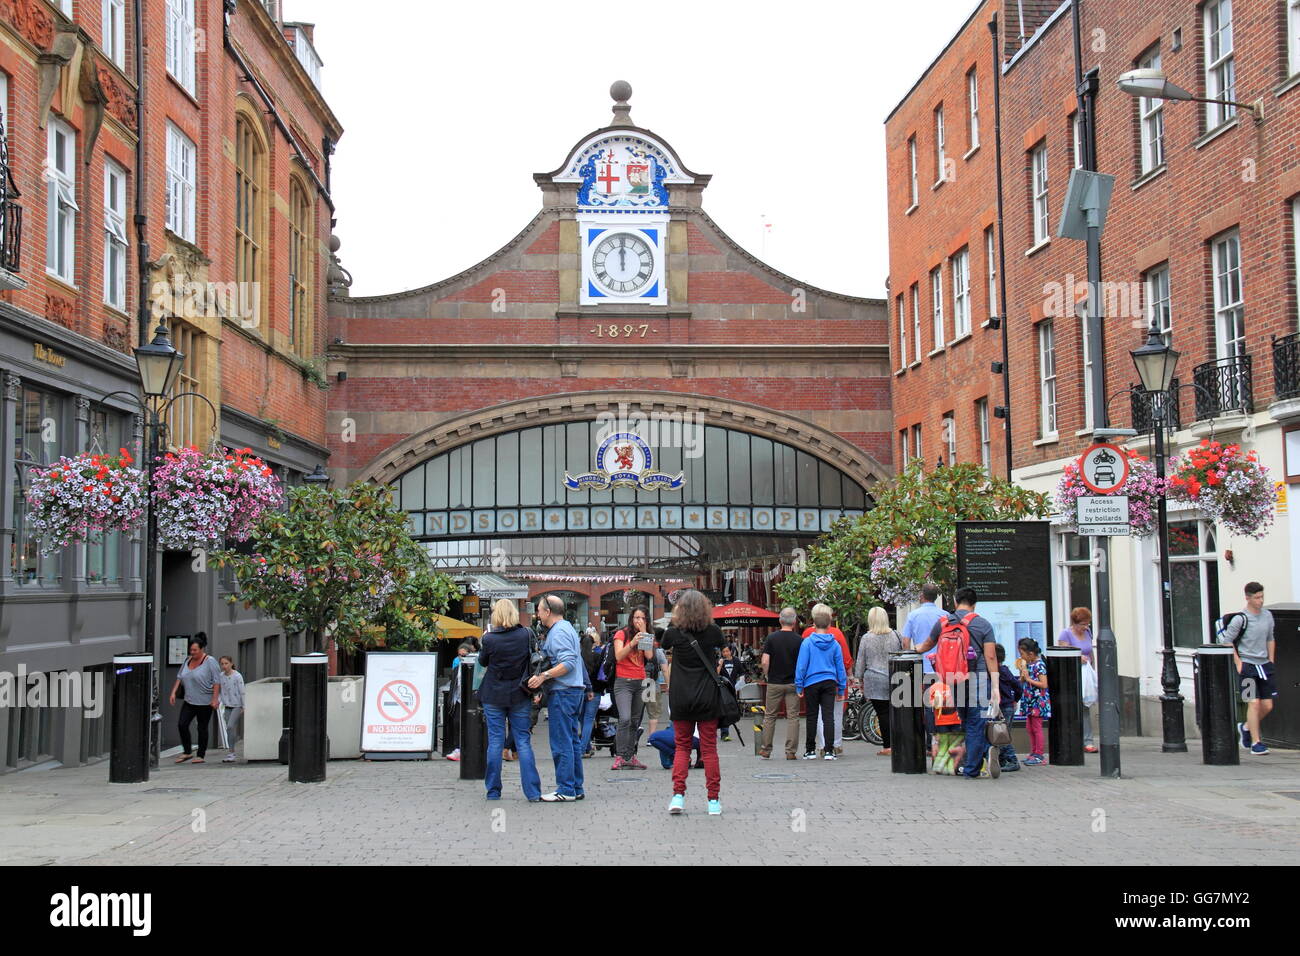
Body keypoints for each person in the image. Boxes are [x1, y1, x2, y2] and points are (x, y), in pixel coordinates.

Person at [914, 587, 1000, 779]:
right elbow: (991, 656)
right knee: (976, 723)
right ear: (974, 604)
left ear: (955, 602)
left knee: (962, 720)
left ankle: (961, 763)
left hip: (952, 680)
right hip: (977, 679)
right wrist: (995, 686)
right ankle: (972, 769)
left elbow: (927, 645)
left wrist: (914, 649)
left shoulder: (943, 623)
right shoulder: (983, 624)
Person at [660, 589, 726, 815]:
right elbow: (722, 648)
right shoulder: (714, 632)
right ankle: (713, 800)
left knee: (682, 748)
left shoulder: (673, 633)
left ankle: (678, 796)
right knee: (709, 749)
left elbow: (662, 644)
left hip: (681, 697)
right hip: (707, 696)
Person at [478, 599, 543, 802]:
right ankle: (532, 792)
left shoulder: (489, 639)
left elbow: (482, 662)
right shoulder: (525, 634)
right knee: (523, 741)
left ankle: (493, 791)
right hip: (519, 693)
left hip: (493, 694)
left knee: (495, 742)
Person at [527, 594, 587, 802]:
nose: (537, 614)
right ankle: (575, 786)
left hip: (564, 691)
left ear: (548, 611)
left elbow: (568, 662)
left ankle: (566, 788)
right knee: (571, 741)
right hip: (573, 690)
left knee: (561, 741)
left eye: (539, 610)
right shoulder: (567, 628)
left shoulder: (559, 632)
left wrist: (544, 675)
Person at [1225, 581, 1277, 755]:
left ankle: (1246, 727)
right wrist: (1238, 663)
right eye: (1257, 598)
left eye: (1262, 597)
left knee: (1268, 705)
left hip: (1264, 666)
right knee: (1253, 703)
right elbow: (1226, 641)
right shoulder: (1240, 619)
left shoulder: (1267, 616)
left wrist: (1271, 659)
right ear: (1247, 598)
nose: (1260, 601)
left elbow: (1270, 638)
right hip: (1247, 666)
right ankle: (1256, 742)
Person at [795, 604, 847, 761]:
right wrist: (841, 688)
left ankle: (810, 750)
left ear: (814, 625)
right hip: (830, 681)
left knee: (811, 716)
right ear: (829, 625)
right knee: (828, 716)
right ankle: (829, 750)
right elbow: (840, 667)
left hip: (811, 682)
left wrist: (799, 684)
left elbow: (801, 665)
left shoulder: (807, 643)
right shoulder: (835, 644)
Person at [853, 607, 903, 756]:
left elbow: (861, 661)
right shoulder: (896, 635)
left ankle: (887, 745)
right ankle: (898, 743)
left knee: (882, 713)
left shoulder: (867, 638)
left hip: (874, 679)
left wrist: (858, 677)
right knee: (895, 712)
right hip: (894, 677)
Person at [611, 607, 652, 769]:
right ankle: (620, 756)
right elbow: (618, 656)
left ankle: (631, 756)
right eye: (636, 617)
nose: (639, 621)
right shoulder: (622, 634)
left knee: (635, 721)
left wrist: (644, 635)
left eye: (642, 618)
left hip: (640, 682)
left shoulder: (646, 635)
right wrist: (633, 642)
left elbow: (649, 656)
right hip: (623, 682)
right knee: (625, 718)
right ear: (631, 618)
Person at [169, 636, 221, 764]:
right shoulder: (187, 660)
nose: (192, 652)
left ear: (202, 649)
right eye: (191, 650)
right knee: (182, 724)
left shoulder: (210, 661)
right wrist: (173, 692)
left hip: (205, 701)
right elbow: (180, 677)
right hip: (189, 700)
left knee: (202, 727)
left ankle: (201, 754)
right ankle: (187, 751)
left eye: (195, 650)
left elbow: (217, 681)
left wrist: (215, 699)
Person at [759, 608, 803, 760]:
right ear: (795, 621)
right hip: (792, 683)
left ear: (780, 620)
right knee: (793, 717)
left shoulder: (771, 638)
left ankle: (766, 749)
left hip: (774, 682)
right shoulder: (799, 640)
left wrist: (767, 674)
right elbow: (802, 664)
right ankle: (790, 751)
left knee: (770, 716)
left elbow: (765, 661)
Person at [1056, 606, 1097, 753]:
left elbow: (1090, 651)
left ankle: (1088, 741)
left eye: (1087, 624)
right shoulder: (1065, 634)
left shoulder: (1087, 632)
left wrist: (1093, 667)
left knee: (1085, 707)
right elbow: (1064, 655)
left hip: (1086, 673)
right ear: (1075, 623)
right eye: (1083, 624)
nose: (1085, 627)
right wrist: (1078, 658)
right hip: (1072, 675)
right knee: (1072, 707)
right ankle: (1072, 739)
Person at [1015, 638, 1050, 766]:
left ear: (1030, 654)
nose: (1021, 657)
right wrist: (1023, 676)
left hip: (1037, 700)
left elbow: (1044, 684)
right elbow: (1023, 681)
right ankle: (1033, 752)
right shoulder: (1029, 665)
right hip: (1029, 699)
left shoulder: (1039, 665)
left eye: (1022, 654)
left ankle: (1039, 755)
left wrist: (1029, 679)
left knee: (1036, 727)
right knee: (1029, 727)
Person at [994, 644, 1021, 772]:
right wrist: (1015, 699)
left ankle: (1012, 759)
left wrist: (1014, 700)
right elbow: (1018, 687)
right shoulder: (1004, 670)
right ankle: (1003, 759)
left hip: (1004, 707)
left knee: (1002, 735)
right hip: (1006, 706)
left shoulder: (1000, 672)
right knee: (1001, 733)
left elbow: (1018, 687)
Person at [579, 629, 605, 758]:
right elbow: (602, 674)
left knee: (582, 720)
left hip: (580, 691)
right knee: (589, 720)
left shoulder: (579, 657)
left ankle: (587, 747)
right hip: (595, 691)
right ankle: (583, 749)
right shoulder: (598, 656)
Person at [215, 655, 245, 763]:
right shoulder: (221, 676)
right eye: (222, 664)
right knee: (229, 729)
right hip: (227, 706)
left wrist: (244, 706)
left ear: (231, 664)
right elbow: (219, 689)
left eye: (226, 663)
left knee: (230, 726)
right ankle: (231, 752)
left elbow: (242, 691)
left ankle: (231, 752)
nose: (224, 666)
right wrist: (217, 700)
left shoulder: (237, 676)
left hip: (237, 705)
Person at [644, 634, 670, 737]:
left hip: (637, 683)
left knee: (636, 713)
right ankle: (651, 737)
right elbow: (665, 670)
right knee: (653, 713)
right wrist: (668, 685)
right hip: (652, 684)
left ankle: (634, 738)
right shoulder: (658, 652)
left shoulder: (637, 651)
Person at [716, 644, 743, 741]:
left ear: (731, 651)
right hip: (723, 689)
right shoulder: (719, 661)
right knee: (724, 710)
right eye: (723, 652)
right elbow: (716, 674)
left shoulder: (736, 661)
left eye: (727, 651)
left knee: (730, 711)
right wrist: (720, 664)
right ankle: (724, 733)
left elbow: (742, 673)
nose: (725, 653)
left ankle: (725, 732)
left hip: (733, 688)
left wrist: (740, 684)